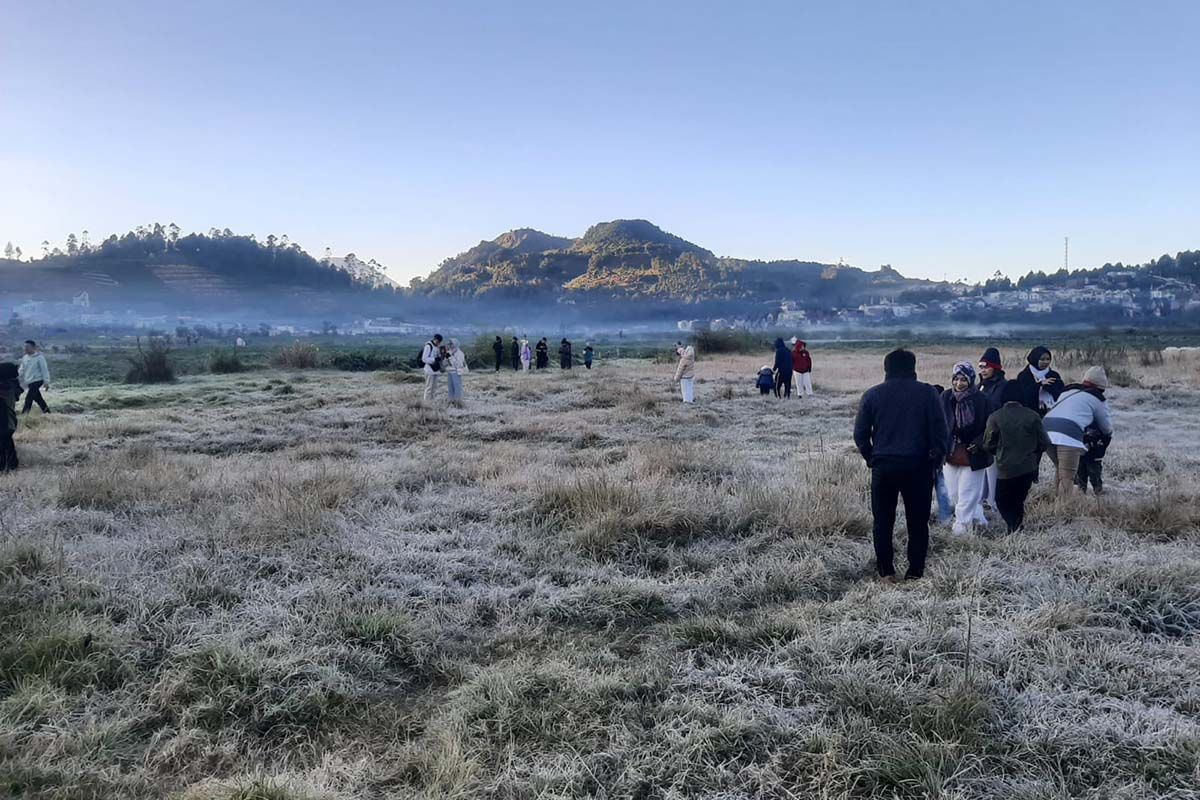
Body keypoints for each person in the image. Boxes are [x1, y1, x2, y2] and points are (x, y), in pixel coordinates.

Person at [854, 349, 948, 581]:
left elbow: (860, 434)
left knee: (883, 521)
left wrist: (871, 457)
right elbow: (941, 432)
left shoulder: (872, 394)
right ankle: (915, 571)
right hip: (919, 466)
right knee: (918, 522)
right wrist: (935, 459)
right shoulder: (927, 393)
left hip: (884, 466)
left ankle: (886, 571)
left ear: (886, 368)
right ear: (913, 367)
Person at [983, 382, 1051, 532]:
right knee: (1019, 499)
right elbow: (1045, 442)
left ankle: (1013, 526)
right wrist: (1033, 453)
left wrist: (998, 451)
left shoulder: (996, 417)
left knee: (1002, 500)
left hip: (1006, 468)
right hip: (1028, 467)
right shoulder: (1033, 415)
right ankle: (1016, 526)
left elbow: (988, 444)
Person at [939, 362, 993, 535]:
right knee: (954, 492)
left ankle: (961, 529)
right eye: (956, 379)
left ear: (970, 379)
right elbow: (939, 423)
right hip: (951, 451)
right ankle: (978, 517)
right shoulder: (946, 397)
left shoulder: (982, 399)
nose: (959, 383)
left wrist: (979, 442)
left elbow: (990, 426)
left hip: (975, 453)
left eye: (963, 379)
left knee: (968, 492)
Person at [1043, 366, 1113, 495]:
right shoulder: (1097, 399)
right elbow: (1106, 427)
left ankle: (1054, 502)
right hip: (1068, 434)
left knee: (1061, 469)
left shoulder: (1066, 391)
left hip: (1045, 430)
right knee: (1067, 477)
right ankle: (1064, 509)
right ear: (1101, 387)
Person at [977, 347, 1007, 511]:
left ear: (995, 367)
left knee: (994, 467)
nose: (983, 370)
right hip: (982, 431)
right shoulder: (980, 385)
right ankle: (983, 498)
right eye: (981, 367)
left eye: (986, 367)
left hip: (996, 431)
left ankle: (993, 500)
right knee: (984, 467)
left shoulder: (1003, 386)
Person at [1011, 346, 1063, 416]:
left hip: (1051, 412)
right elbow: (1023, 395)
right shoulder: (1024, 375)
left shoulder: (1054, 375)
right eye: (1042, 359)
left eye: (1048, 359)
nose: (1046, 362)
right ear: (1035, 359)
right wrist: (1039, 385)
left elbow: (1060, 395)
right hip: (1029, 414)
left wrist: (1049, 388)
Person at [929, 385, 953, 525]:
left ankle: (942, 516)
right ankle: (945, 517)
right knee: (942, 487)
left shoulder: (925, 411)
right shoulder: (945, 412)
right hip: (940, 455)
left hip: (926, 457)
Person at [1075, 423, 1111, 494]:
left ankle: (1098, 492)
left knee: (1094, 475)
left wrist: (1094, 445)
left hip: (1094, 456)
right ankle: (1081, 494)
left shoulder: (1100, 423)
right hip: (1081, 454)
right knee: (1081, 475)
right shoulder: (1080, 421)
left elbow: (1106, 437)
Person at [18, 340, 50, 414]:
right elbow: (22, 369)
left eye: (27, 347)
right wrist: (17, 377)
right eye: (24, 347)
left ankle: (24, 415)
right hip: (29, 381)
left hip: (37, 380)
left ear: (33, 347)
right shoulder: (25, 358)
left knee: (28, 398)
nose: (25, 349)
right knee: (38, 398)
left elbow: (44, 370)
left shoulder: (40, 358)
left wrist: (46, 382)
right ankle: (47, 412)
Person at [0, 363, 22, 471]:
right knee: (7, 443)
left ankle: (5, 466)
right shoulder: (12, 385)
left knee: (4, 444)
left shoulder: (5, 388)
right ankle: (12, 465)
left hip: (4, 421)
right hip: (9, 422)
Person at [420, 334, 444, 402]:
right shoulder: (428, 346)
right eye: (438, 341)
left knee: (434, 388)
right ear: (435, 339)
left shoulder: (437, 346)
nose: (438, 343)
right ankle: (426, 403)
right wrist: (434, 359)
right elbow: (424, 359)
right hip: (429, 370)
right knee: (429, 388)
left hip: (436, 370)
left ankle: (432, 402)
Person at [445, 339, 469, 403]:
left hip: (456, 372)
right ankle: (451, 401)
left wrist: (450, 357)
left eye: (451, 344)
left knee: (457, 387)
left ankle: (458, 402)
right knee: (450, 388)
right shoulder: (449, 352)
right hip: (450, 371)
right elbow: (445, 362)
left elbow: (458, 364)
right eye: (450, 344)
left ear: (455, 344)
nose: (450, 345)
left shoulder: (460, 353)